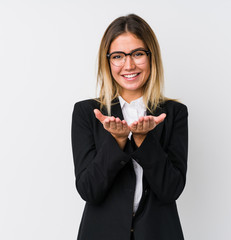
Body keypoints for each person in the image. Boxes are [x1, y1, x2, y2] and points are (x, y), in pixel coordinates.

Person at [71, 14, 188, 240]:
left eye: (137, 54)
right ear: (108, 61)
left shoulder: (174, 113)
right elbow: (89, 191)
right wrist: (117, 141)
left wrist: (144, 140)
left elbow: (171, 190)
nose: (129, 65)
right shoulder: (87, 113)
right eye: (118, 56)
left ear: (151, 56)